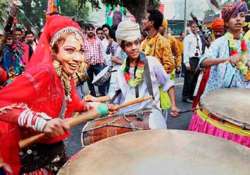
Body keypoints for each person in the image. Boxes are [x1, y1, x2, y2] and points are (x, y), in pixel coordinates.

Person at [0, 15, 103, 175]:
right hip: (32, 159)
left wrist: (90, 106)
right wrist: (42, 123)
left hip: (53, 152)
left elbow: (71, 103)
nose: (77, 58)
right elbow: (3, 103)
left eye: (80, 51)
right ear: (53, 51)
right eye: (69, 50)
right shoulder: (43, 73)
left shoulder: (64, 76)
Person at [109, 20, 179, 129]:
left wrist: (173, 105)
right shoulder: (121, 71)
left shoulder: (152, 62)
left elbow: (168, 84)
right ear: (123, 48)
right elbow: (117, 97)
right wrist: (108, 104)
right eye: (128, 45)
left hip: (151, 116)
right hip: (128, 118)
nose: (134, 47)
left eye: (136, 43)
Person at [182, 21, 203, 103]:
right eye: (193, 27)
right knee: (188, 79)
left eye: (196, 27)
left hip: (197, 59)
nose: (195, 29)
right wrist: (186, 63)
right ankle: (185, 96)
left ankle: (191, 96)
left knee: (195, 79)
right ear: (190, 28)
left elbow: (200, 50)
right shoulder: (188, 38)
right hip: (191, 60)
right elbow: (185, 51)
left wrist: (201, 61)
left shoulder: (199, 37)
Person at [84, 24, 107, 96]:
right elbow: (82, 52)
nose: (90, 31)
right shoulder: (83, 41)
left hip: (98, 64)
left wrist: (102, 62)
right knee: (89, 81)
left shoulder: (98, 40)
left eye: (92, 29)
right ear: (86, 31)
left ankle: (102, 94)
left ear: (94, 30)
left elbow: (101, 52)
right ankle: (93, 95)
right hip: (88, 65)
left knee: (100, 80)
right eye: (88, 30)